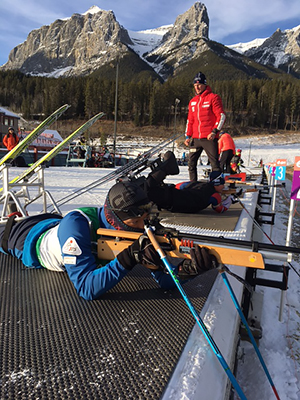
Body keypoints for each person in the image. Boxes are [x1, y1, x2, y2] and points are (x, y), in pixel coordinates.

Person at [0, 177, 217, 301]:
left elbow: (164, 280)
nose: (143, 228)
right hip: (24, 239)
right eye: (136, 224)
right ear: (116, 221)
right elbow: (86, 288)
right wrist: (128, 258)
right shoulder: (77, 226)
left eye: (146, 219)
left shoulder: (137, 227)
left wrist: (191, 268)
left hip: (52, 221)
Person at [184, 72, 226, 181]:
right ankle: (192, 186)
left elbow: (221, 116)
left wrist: (214, 131)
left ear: (205, 85)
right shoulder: (193, 101)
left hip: (209, 138)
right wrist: (188, 136)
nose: (197, 87)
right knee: (191, 164)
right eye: (195, 85)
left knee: (215, 165)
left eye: (199, 85)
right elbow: (190, 120)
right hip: (195, 138)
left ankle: (216, 187)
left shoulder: (213, 98)